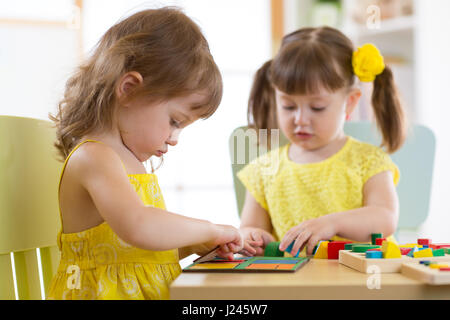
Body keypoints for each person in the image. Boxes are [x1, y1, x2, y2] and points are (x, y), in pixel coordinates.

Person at [46, 7, 253, 300]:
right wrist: (208, 230)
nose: (175, 139)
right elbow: (138, 226)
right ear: (129, 89)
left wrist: (193, 245)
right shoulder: (95, 157)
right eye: (175, 121)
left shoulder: (125, 159)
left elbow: (131, 252)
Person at [237, 26, 406, 258]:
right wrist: (253, 238)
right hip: (295, 288)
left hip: (361, 284)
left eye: (317, 107)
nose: (300, 119)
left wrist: (333, 223)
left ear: (350, 102)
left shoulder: (368, 161)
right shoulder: (264, 170)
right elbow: (249, 227)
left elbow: (385, 218)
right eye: (288, 106)